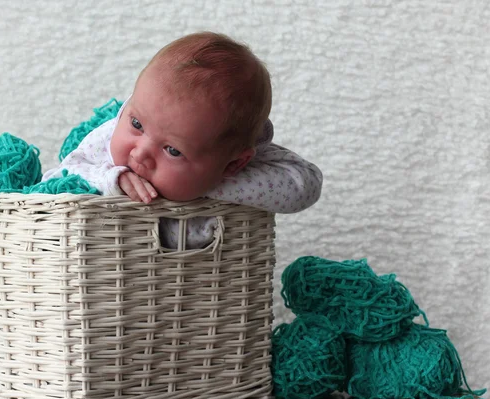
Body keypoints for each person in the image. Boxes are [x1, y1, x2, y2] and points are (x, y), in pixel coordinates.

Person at [43, 31, 322, 249]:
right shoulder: (112, 133)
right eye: (137, 124)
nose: (140, 154)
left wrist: (211, 184)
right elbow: (57, 178)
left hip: (202, 295)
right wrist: (110, 179)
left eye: (172, 150)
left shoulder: (234, 162)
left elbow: (305, 185)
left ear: (233, 164)